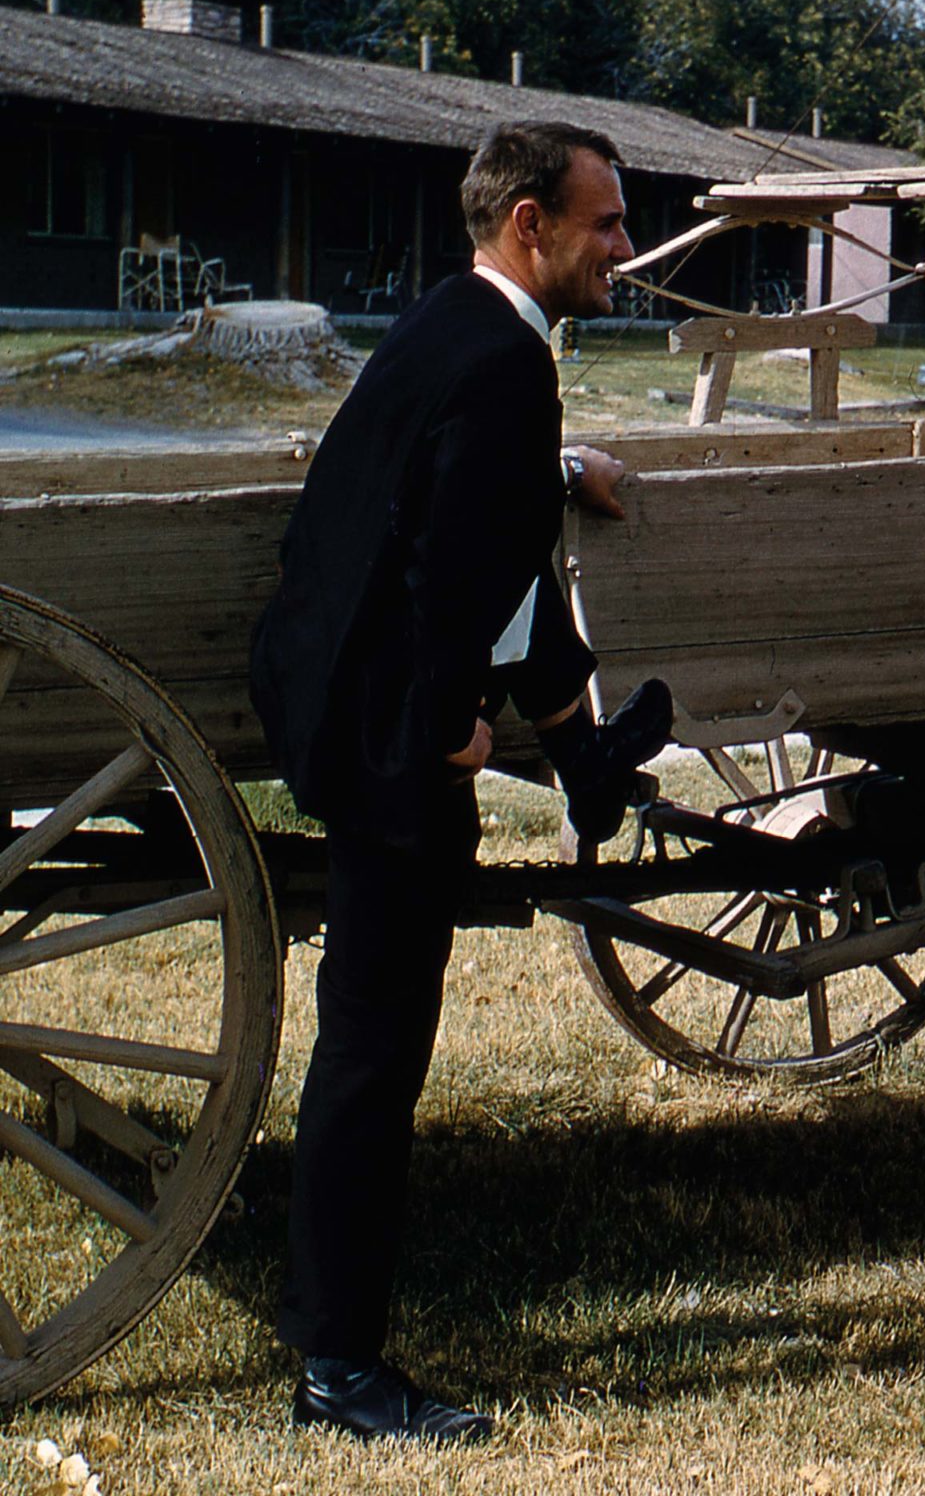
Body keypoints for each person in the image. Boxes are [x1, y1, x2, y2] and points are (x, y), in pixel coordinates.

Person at [250, 120, 672, 1442]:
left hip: (335, 705)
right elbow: (456, 576)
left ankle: (593, 756)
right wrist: (444, 729)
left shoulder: (457, 329)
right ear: (528, 227)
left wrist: (551, 716)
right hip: (388, 745)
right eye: (605, 223)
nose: (624, 246)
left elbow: (467, 520)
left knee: (369, 1049)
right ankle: (340, 1374)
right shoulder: (503, 364)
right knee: (373, 1058)